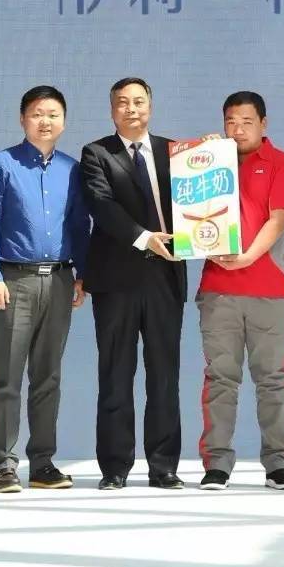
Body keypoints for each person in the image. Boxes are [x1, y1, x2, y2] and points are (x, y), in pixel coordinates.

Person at [0, 85, 90, 493]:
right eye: (37, 113)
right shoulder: (1, 164)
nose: (45, 121)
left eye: (53, 114)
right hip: (14, 281)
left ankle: (43, 464)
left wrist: (82, 275)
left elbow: (80, 225)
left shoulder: (72, 169)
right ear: (23, 119)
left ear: (64, 121)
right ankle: (4, 465)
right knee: (6, 377)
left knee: (48, 377)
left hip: (59, 280)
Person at [79, 77, 188, 490]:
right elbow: (102, 205)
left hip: (165, 277)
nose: (132, 109)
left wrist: (213, 154)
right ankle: (114, 468)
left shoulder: (176, 152)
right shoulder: (96, 153)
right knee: (115, 374)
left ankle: (164, 467)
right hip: (116, 280)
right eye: (123, 103)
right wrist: (144, 238)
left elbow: (203, 197)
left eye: (139, 102)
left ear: (150, 107)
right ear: (112, 110)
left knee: (165, 375)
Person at [196, 91, 284, 491]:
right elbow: (190, 216)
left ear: (263, 124)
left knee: (272, 378)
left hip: (268, 289)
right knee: (220, 379)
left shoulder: (281, 163)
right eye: (231, 122)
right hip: (218, 289)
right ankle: (217, 464)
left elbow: (278, 220)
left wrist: (245, 258)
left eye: (246, 122)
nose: (238, 129)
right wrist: (201, 158)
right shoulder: (210, 164)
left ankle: (279, 464)